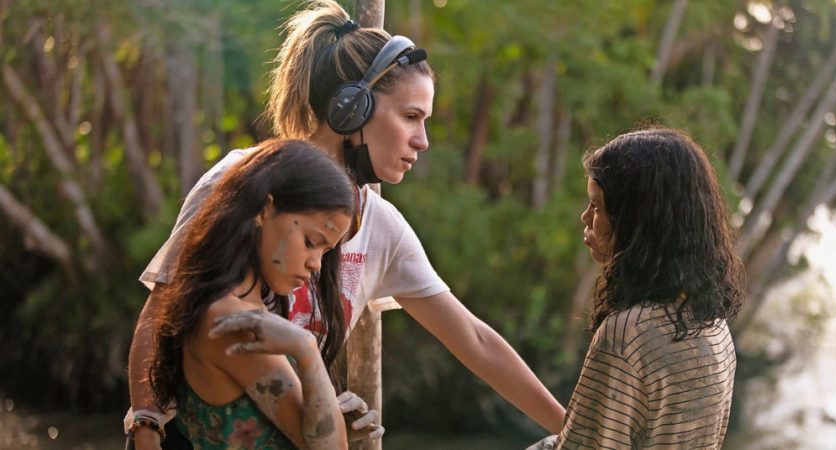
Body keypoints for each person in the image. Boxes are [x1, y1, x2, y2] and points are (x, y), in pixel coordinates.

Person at [127, 0, 566, 448]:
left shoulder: (382, 226)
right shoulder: (243, 179)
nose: (422, 140)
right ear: (352, 108)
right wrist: (145, 422)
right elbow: (163, 306)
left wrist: (574, 432)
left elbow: (475, 341)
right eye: (410, 117)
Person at [527, 128, 745, 450]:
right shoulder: (714, 327)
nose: (585, 217)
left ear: (636, 219)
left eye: (597, 206)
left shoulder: (628, 333)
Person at [143, 139, 353, 449]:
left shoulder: (236, 306)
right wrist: (306, 348)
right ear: (264, 210)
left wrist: (338, 413)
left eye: (325, 251)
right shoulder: (233, 322)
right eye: (310, 242)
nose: (316, 264)